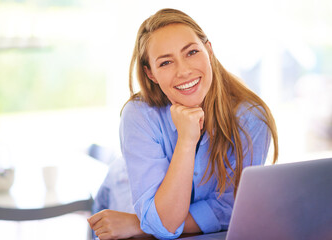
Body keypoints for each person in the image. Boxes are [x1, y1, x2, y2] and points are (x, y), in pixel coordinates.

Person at [88, 8, 278, 240]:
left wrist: (140, 224)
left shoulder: (251, 119)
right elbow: (163, 224)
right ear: (151, 74)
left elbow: (233, 208)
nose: (184, 71)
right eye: (166, 62)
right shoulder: (138, 115)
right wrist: (187, 140)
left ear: (209, 50)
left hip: (143, 214)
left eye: (191, 52)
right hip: (125, 185)